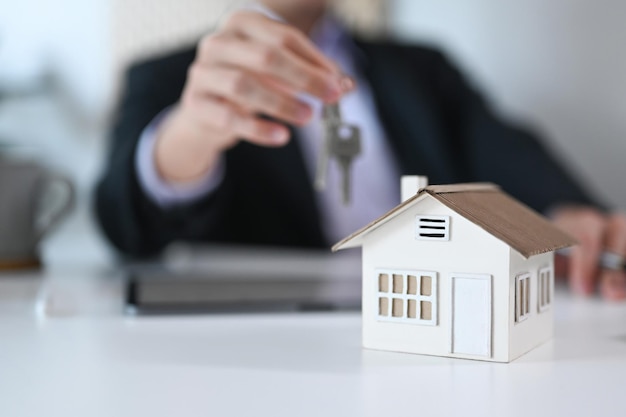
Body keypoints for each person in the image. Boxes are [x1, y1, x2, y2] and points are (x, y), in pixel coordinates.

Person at [96, 0, 626, 301]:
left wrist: (567, 215)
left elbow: (508, 154)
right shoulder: (167, 77)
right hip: (258, 345)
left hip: (432, 314)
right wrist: (193, 132)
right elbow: (125, 218)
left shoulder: (422, 70)